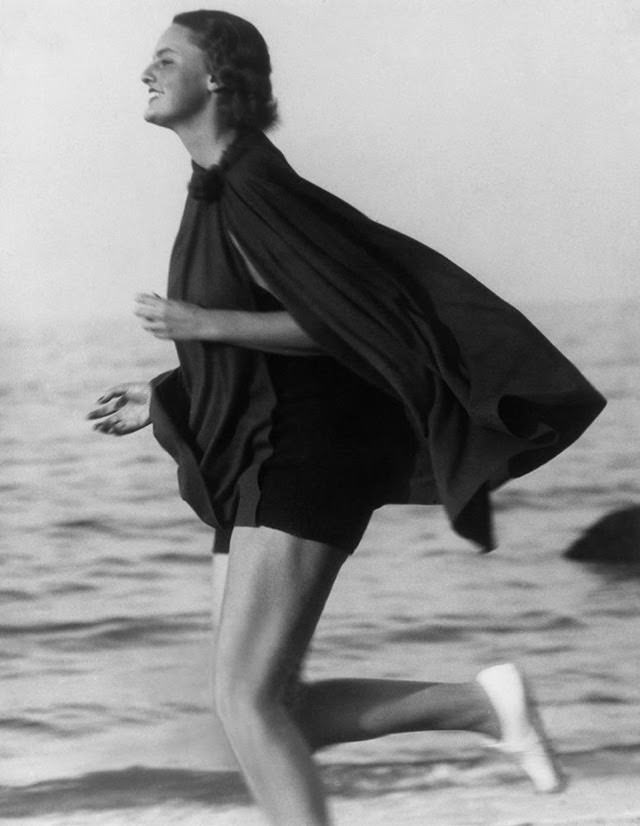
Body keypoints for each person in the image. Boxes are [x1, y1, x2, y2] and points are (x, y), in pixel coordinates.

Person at [87, 11, 605, 825]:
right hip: (268, 454)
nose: (145, 74)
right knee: (257, 708)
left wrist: (201, 325)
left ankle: (480, 711)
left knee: (248, 702)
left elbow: (362, 323)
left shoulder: (256, 187)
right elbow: (268, 330)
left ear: (217, 78)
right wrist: (166, 389)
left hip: (300, 458)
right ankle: (479, 707)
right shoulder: (222, 186)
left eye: (164, 59)